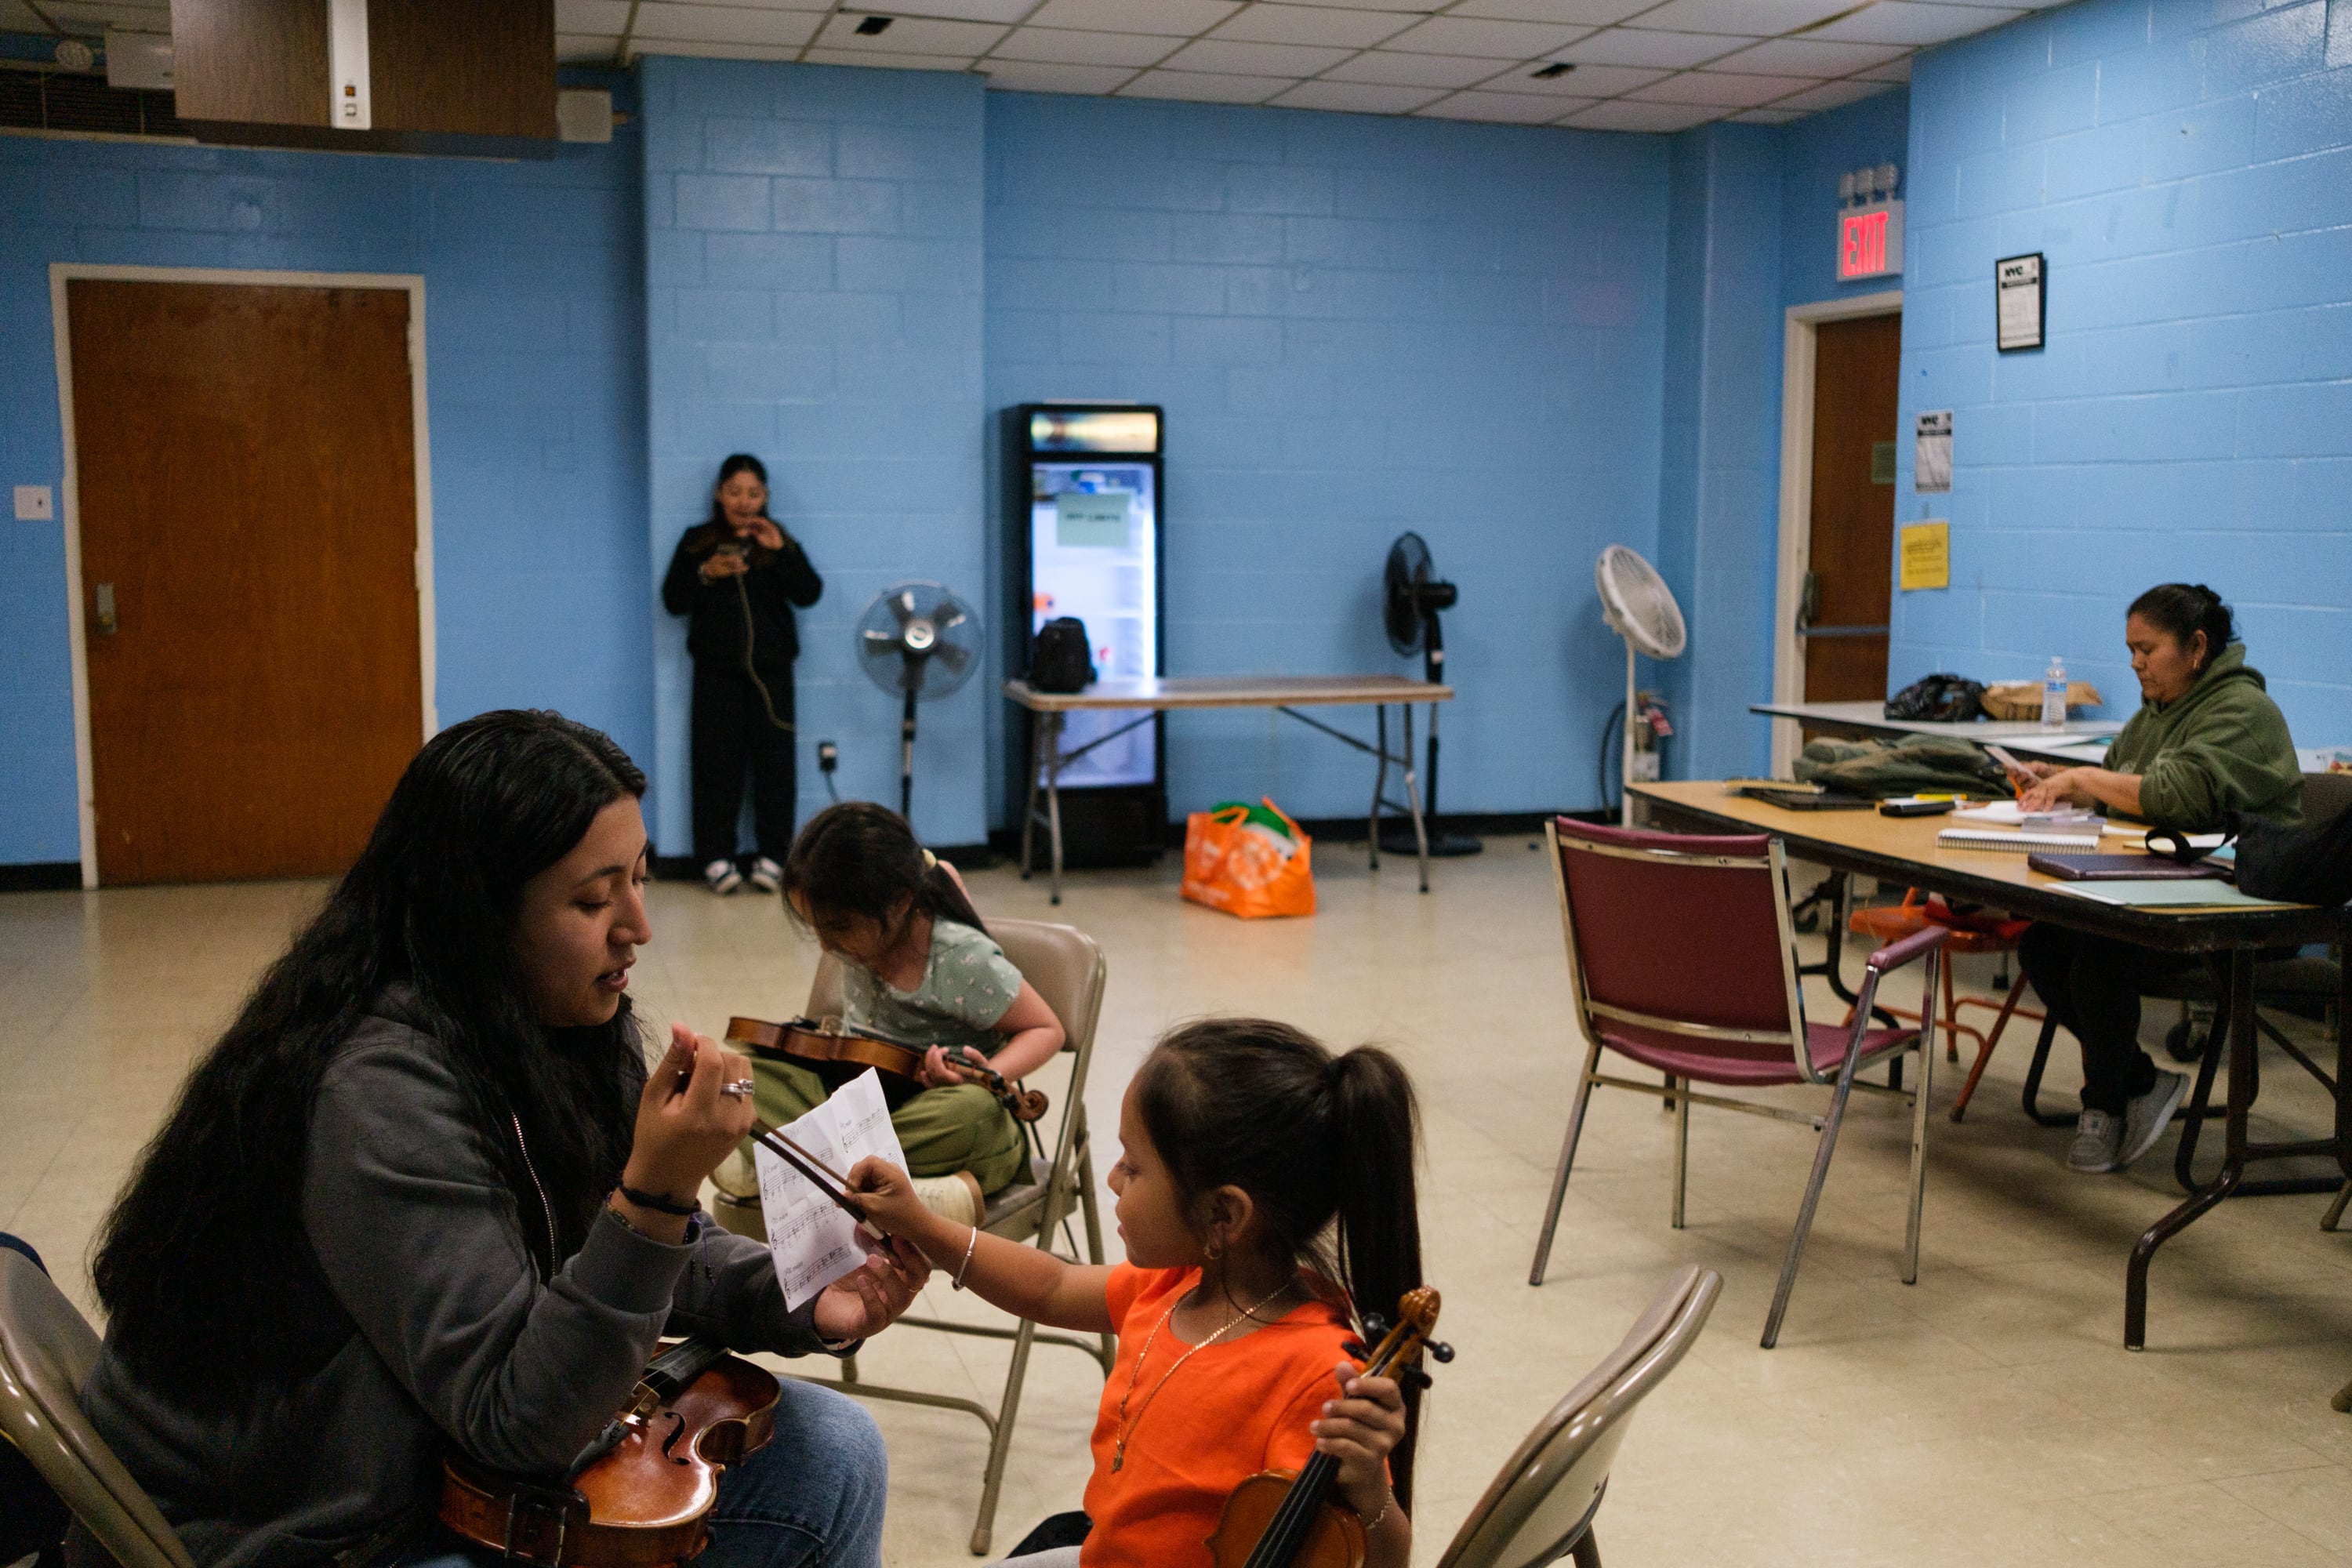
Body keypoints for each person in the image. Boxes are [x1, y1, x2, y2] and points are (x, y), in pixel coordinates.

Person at [82, 710, 925, 1568]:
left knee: (836, 1451)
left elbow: (653, 1254)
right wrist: (655, 1195)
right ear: (478, 915)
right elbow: (520, 1420)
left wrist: (805, 1295)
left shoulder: (554, 1015)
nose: (638, 924)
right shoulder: (377, 1091)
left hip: (441, 1447)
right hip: (305, 1523)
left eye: (639, 878)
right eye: (594, 898)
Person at [847, 1019, 1425, 1568]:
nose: (1112, 1178)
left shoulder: (1315, 1374)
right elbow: (1051, 1287)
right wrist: (921, 1224)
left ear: (1223, 1214)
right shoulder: (1180, 1281)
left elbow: (1366, 1554)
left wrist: (1373, 1491)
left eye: (1134, 1166)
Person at [2007, 584, 2302, 1174]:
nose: (2136, 664)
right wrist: (2059, 781)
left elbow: (2175, 796)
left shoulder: (2241, 711)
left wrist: (2082, 780)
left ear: (2197, 648)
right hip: (2167, 889)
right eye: (2131, 651)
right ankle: (2140, 1081)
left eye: (2147, 650)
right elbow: (2119, 786)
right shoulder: (2156, 713)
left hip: (2248, 908)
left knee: (2100, 954)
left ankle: (2105, 1105)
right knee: (2043, 943)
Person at [735, 801, 1065, 1228]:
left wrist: (989, 1074)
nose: (826, 946)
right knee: (742, 1076)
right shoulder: (857, 942)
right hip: (863, 1105)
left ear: (900, 901)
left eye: (837, 927)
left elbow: (1046, 1028)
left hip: (934, 1107)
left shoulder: (960, 957)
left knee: (975, 1114)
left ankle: (791, 1168)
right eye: (815, 927)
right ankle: (893, 1186)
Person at [663, 454, 822, 897]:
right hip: (716, 674)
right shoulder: (697, 541)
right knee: (716, 765)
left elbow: (810, 592)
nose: (744, 502)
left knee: (775, 767)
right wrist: (705, 574)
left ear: (765, 496)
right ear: (719, 494)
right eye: (735, 492)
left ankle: (775, 856)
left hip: (773, 675)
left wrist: (781, 552)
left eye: (753, 493)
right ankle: (715, 856)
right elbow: (673, 600)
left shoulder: (776, 539)